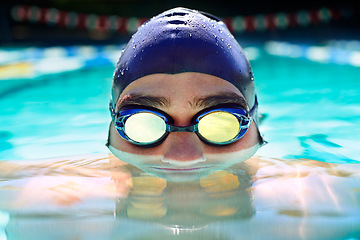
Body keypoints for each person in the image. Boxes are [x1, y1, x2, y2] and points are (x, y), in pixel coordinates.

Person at [107, 7, 264, 181]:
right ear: (113, 124)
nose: (182, 159)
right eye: (143, 123)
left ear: (254, 119)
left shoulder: (297, 190)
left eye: (221, 121)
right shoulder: (73, 188)